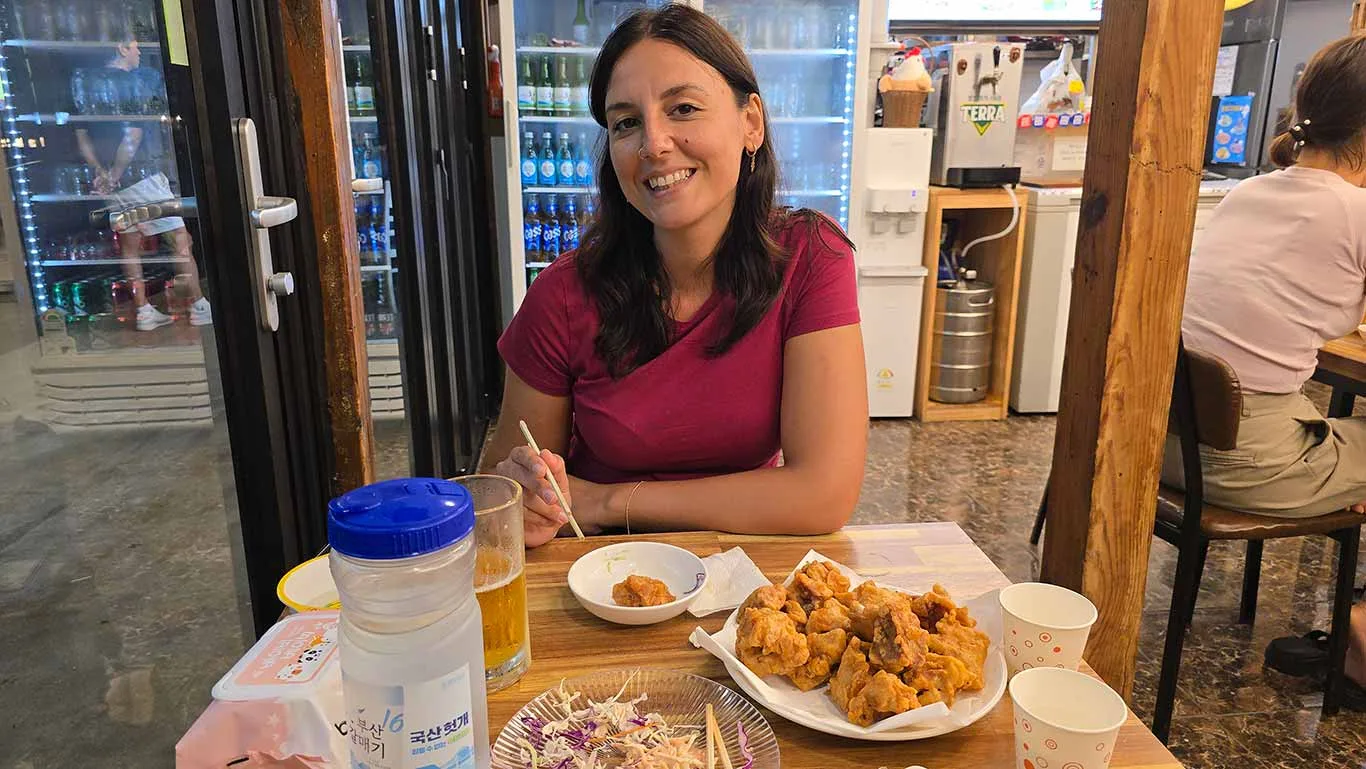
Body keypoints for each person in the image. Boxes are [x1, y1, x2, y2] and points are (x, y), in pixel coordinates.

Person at [480, 4, 868, 548]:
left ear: (750, 123)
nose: (653, 144)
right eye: (626, 123)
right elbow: (505, 489)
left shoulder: (810, 256)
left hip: (747, 582)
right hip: (600, 579)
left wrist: (607, 501)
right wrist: (520, 491)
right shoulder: (564, 293)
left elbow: (824, 493)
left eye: (683, 108)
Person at [1160, 34, 1366, 693]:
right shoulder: (1355, 210)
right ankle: (1360, 636)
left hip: (1168, 446)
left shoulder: (1248, 191)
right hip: (1245, 463)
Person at [75, 40, 211, 332]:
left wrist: (103, 175)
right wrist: (116, 172)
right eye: (135, 47)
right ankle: (199, 305)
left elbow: (83, 138)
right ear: (122, 48)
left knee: (129, 245)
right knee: (179, 238)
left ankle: (144, 311)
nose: (138, 52)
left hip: (113, 185)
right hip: (140, 176)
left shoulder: (84, 83)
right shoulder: (130, 84)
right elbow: (133, 136)